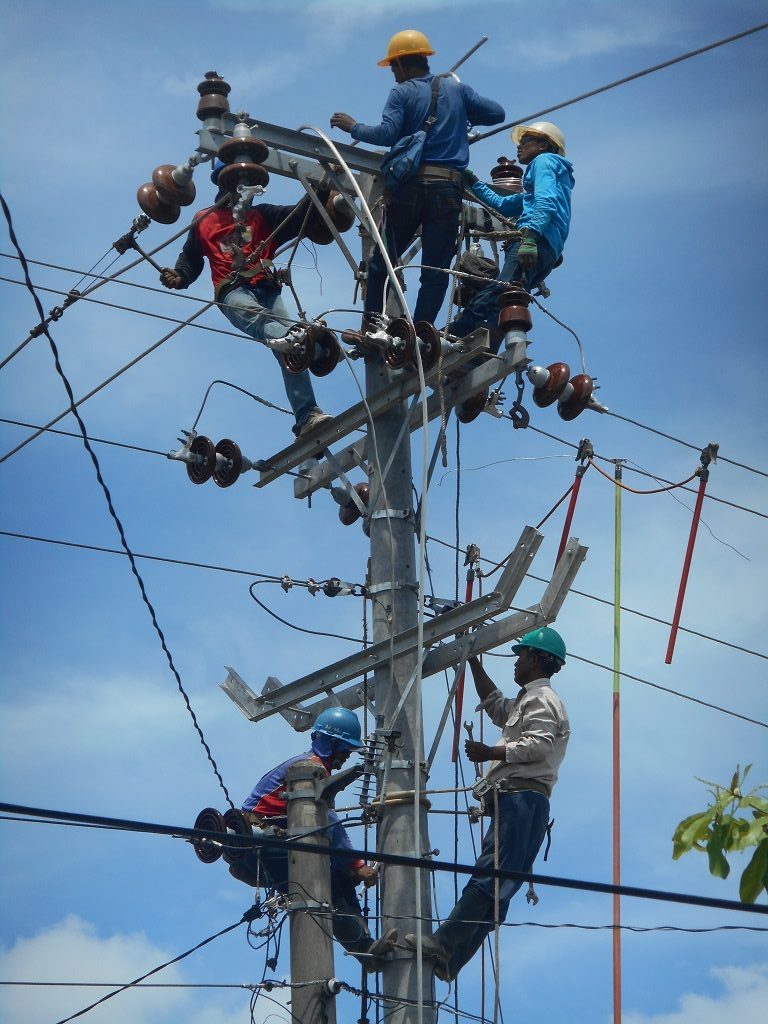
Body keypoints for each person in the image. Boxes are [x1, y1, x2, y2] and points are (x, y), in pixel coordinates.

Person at [406, 627, 570, 981]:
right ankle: (450, 959)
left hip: (522, 798)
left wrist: (489, 752)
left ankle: (442, 945)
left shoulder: (542, 699)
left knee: (490, 877)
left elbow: (539, 745)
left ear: (538, 659)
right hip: (520, 801)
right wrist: (472, 662)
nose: (517, 660)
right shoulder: (529, 699)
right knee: (498, 885)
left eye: (521, 655)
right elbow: (497, 706)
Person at [330, 29, 504, 326]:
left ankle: (372, 325)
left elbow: (386, 134)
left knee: (382, 262)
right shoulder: (456, 89)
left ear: (400, 64)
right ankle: (420, 333)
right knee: (436, 272)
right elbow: (497, 114)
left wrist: (353, 127)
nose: (393, 74)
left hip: (410, 188)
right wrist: (461, 114)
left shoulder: (402, 91)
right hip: (448, 190)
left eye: (393, 68)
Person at [159, 163, 332, 439]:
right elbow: (190, 260)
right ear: (224, 183)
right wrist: (179, 277)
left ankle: (307, 416)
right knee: (279, 331)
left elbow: (301, 217)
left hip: (267, 287)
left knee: (289, 351)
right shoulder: (203, 219)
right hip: (233, 291)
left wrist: (322, 188)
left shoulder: (262, 215)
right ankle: (312, 345)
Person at [231, 707, 397, 973]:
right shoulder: (310, 769)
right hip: (258, 842)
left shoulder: (310, 767)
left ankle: (366, 949)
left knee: (337, 880)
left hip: (271, 844)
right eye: (345, 750)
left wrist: (348, 867)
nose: (345, 758)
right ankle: (364, 949)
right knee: (328, 884)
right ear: (332, 743)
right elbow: (329, 822)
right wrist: (356, 864)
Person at [449, 120, 574, 340]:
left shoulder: (543, 161)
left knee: (499, 289)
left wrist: (531, 238)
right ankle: (481, 357)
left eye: (526, 141)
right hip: (547, 252)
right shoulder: (551, 178)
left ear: (543, 145)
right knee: (508, 303)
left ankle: (455, 332)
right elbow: (506, 205)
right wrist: (474, 183)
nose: (519, 146)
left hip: (533, 242)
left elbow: (546, 201)